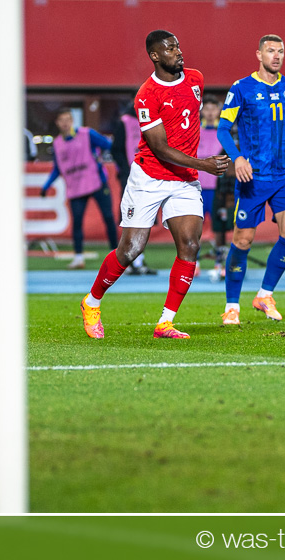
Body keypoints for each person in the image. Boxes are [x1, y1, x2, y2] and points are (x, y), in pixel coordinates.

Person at [82, 31, 229, 340]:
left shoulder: (196, 80)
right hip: (150, 176)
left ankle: (165, 323)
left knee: (190, 245)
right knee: (131, 249)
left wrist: (196, 166)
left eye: (178, 46)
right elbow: (160, 148)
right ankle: (92, 301)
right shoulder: (147, 95)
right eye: (171, 48)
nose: (179, 52)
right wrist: (203, 164)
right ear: (155, 56)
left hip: (184, 179)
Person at [215, 35, 285, 325]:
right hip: (253, 177)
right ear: (258, 54)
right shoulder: (241, 88)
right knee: (243, 240)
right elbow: (222, 130)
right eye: (270, 51)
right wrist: (238, 158)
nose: (276, 56)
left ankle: (265, 295)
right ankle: (232, 306)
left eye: (281, 51)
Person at [40, 108, 119, 269]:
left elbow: (109, 145)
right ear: (57, 123)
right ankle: (78, 258)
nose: (65, 123)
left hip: (97, 182)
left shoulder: (87, 134)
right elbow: (58, 168)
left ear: (72, 121)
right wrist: (46, 186)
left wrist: (107, 159)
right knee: (77, 222)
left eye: (67, 119)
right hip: (76, 187)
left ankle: (116, 257)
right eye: (61, 120)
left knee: (109, 218)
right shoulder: (57, 144)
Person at [108, 101, 156, 276]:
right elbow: (116, 149)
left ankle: (138, 260)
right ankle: (128, 260)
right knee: (131, 218)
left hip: (149, 175)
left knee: (144, 218)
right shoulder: (125, 122)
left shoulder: (154, 118)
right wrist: (127, 170)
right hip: (131, 177)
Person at [196, 95, 231, 281]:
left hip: (218, 189)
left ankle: (220, 263)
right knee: (194, 227)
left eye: (213, 108)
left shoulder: (225, 132)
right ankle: (193, 263)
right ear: (202, 111)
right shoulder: (194, 130)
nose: (210, 112)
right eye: (206, 108)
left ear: (219, 111)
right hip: (196, 187)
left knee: (219, 229)